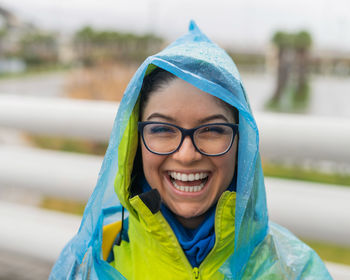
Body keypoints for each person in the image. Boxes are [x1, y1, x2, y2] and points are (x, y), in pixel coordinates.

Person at [50, 21, 332, 279]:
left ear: (241, 144)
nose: (186, 155)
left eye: (212, 130)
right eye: (161, 129)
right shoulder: (96, 257)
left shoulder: (291, 269)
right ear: (135, 143)